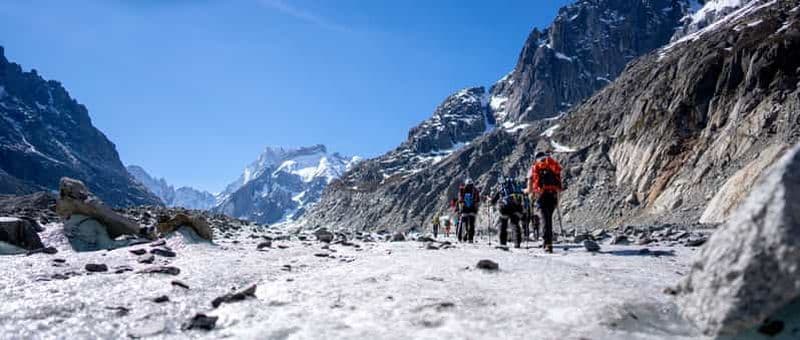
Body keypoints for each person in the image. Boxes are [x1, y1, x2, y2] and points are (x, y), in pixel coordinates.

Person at [528, 151, 563, 253]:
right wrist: (557, 199)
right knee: (548, 220)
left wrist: (532, 195)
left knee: (544, 220)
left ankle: (547, 244)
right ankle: (548, 243)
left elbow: (531, 183)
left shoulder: (535, 166)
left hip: (541, 195)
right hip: (552, 195)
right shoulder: (551, 165)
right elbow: (558, 181)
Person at [491, 177, 524, 248]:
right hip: (515, 207)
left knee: (503, 225)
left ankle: (503, 243)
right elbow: (522, 194)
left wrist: (491, 201)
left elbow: (494, 200)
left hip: (504, 208)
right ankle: (517, 243)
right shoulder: (514, 186)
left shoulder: (501, 188)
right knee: (515, 224)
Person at [458, 178, 481, 243]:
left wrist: (460, 208)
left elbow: (460, 200)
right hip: (472, 210)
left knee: (462, 223)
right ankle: (470, 239)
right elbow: (478, 200)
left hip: (464, 209)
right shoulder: (475, 190)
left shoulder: (462, 190)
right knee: (471, 224)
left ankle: (460, 238)